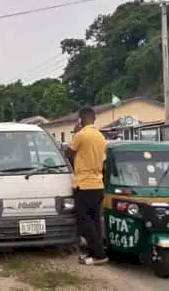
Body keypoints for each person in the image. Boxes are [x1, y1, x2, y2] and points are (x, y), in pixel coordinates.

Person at [65, 107, 108, 266]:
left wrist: (76, 132)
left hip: (84, 184)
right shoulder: (100, 136)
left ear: (80, 120)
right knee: (94, 220)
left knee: (84, 221)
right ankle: (92, 253)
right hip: (98, 183)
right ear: (94, 119)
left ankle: (100, 254)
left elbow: (68, 153)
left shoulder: (81, 135)